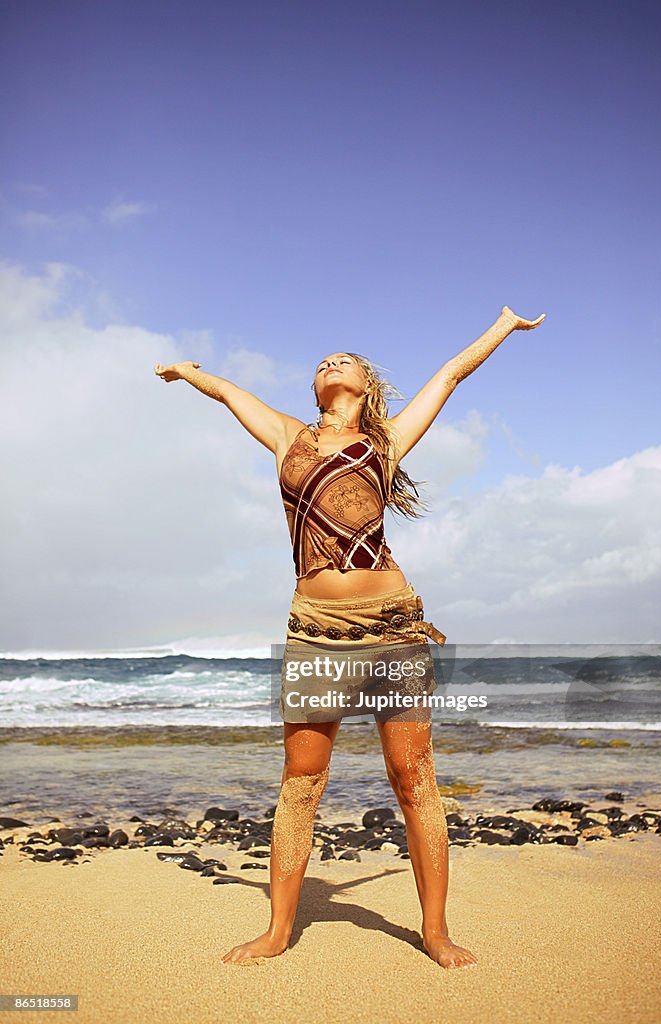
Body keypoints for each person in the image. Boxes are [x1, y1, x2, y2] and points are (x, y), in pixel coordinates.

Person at [153, 304, 546, 969]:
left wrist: (503, 326)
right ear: (315, 390)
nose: (329, 362)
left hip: (393, 626)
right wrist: (187, 371)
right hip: (314, 632)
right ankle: (277, 930)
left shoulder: (386, 440)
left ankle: (435, 931)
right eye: (320, 362)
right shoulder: (287, 436)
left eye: (344, 360)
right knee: (301, 780)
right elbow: (224, 391)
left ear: (365, 385)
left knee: (412, 774)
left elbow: (450, 375)